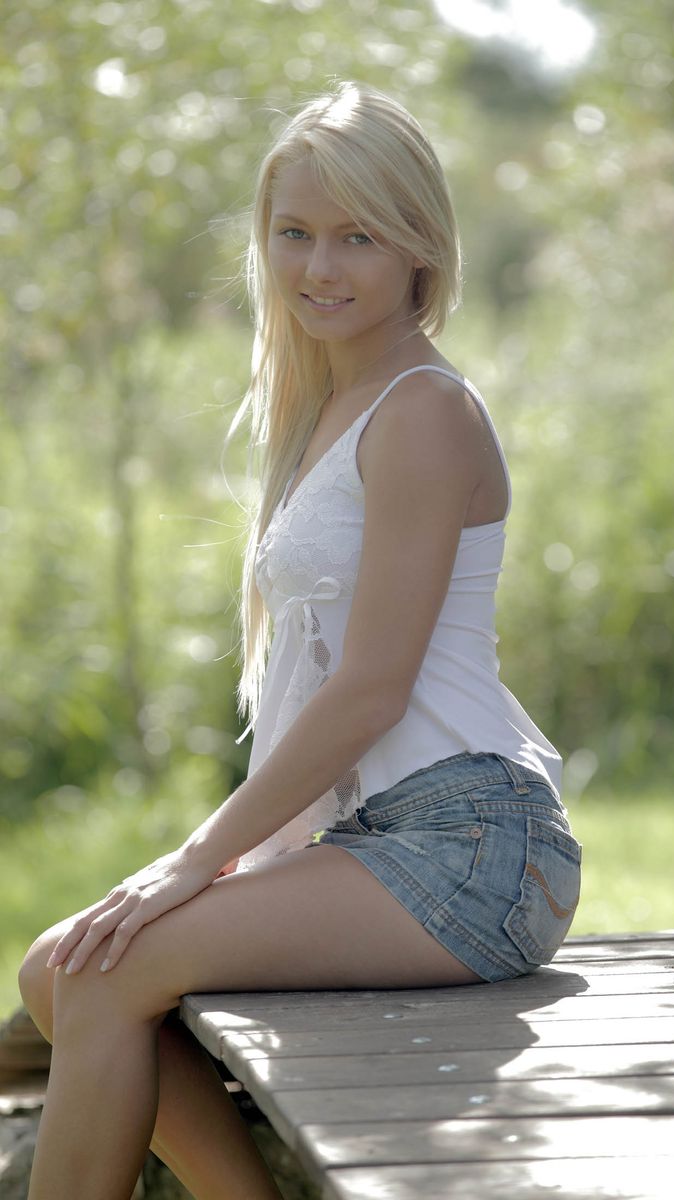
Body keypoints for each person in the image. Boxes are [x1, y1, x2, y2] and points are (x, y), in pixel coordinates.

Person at [18, 81, 582, 1199]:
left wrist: (197, 858)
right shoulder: (335, 400)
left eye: (356, 237)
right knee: (55, 970)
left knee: (104, 966)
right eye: (295, 234)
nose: (319, 268)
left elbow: (371, 692)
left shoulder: (420, 409)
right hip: (390, 835)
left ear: (418, 245)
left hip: (473, 839)